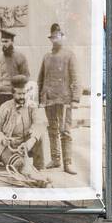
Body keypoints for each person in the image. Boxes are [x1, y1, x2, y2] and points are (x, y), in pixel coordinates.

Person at [37, 23, 79, 175]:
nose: (55, 40)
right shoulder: (46, 57)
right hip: (49, 99)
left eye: (57, 37)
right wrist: (40, 99)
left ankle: (67, 163)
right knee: (52, 129)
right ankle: (55, 159)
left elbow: (75, 78)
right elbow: (41, 78)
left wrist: (75, 99)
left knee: (65, 131)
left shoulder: (69, 55)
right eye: (52, 37)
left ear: (63, 37)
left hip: (64, 99)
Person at [0, 75, 47, 175]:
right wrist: (3, 139)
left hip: (26, 144)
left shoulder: (32, 106)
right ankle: (16, 164)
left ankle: (38, 169)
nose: (22, 97)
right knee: (18, 165)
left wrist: (30, 142)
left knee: (40, 136)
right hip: (8, 146)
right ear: (13, 93)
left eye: (24, 93)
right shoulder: (5, 107)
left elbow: (39, 125)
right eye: (19, 94)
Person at [0, 28, 29, 111]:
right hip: (0, 94)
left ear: (12, 42)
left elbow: (26, 77)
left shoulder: (20, 57)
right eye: (2, 41)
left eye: (6, 41)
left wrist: (19, 94)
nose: (4, 44)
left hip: (13, 95)